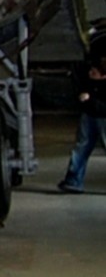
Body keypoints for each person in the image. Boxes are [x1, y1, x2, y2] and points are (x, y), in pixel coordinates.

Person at [60, 33, 106, 193]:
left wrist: (90, 98)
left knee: (82, 147)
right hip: (90, 113)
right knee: (81, 147)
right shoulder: (94, 50)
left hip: (99, 113)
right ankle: (73, 181)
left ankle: (73, 181)